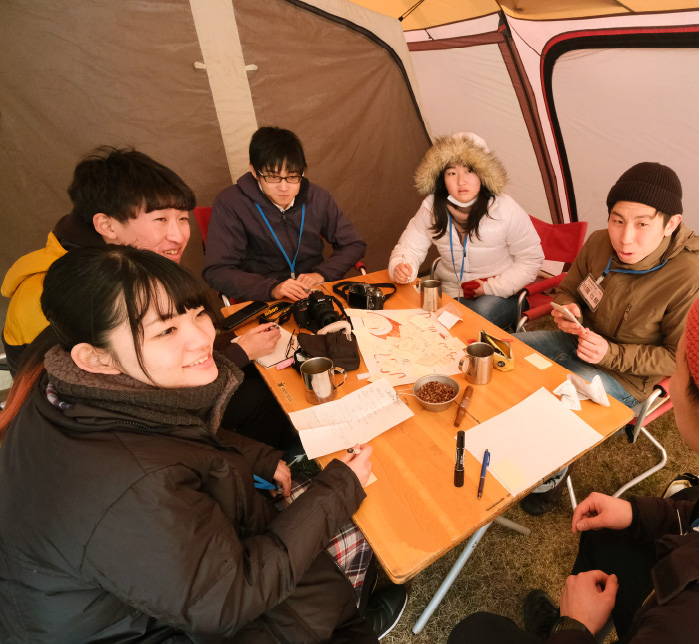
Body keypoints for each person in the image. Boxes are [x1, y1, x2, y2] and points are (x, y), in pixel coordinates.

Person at [0, 246, 407, 642]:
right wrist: (338, 487)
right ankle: (353, 619)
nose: (202, 339)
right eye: (166, 331)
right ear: (95, 357)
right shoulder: (128, 486)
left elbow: (173, 434)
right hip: (175, 625)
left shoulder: (64, 389)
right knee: (356, 530)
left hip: (152, 592)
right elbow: (226, 601)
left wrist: (260, 457)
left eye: (197, 314)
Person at [448, 271, 699, 644]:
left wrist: (576, 629)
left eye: (679, 369)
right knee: (609, 533)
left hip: (684, 608)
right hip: (693, 573)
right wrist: (639, 514)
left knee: (476, 632)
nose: (668, 384)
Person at [0, 146, 296, 450]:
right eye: (160, 219)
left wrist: (235, 345)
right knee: (262, 397)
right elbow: (128, 396)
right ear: (107, 225)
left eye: (182, 218)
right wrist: (239, 353)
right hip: (123, 432)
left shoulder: (124, 266)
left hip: (149, 399)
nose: (179, 236)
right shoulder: (63, 294)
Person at [515, 162, 699, 515]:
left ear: (671, 224)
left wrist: (611, 354)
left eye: (642, 224)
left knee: (559, 408)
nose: (625, 238)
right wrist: (569, 309)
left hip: (626, 377)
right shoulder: (598, 243)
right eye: (618, 220)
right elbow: (567, 289)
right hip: (576, 342)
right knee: (506, 354)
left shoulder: (691, 281)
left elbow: (677, 357)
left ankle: (547, 481)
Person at [388, 132, 543, 330]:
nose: (461, 181)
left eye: (469, 171)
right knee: (418, 317)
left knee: (473, 318)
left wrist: (490, 287)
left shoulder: (505, 208)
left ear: (483, 174)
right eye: (452, 173)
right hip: (453, 291)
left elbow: (531, 259)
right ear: (442, 178)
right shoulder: (431, 208)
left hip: (502, 293)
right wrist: (401, 266)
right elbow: (409, 247)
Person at [203, 126, 367, 303]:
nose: (284, 187)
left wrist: (321, 274)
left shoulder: (318, 197)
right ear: (254, 171)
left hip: (314, 292)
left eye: (293, 176)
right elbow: (217, 270)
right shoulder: (230, 203)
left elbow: (354, 244)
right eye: (273, 177)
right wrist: (272, 288)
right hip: (263, 298)